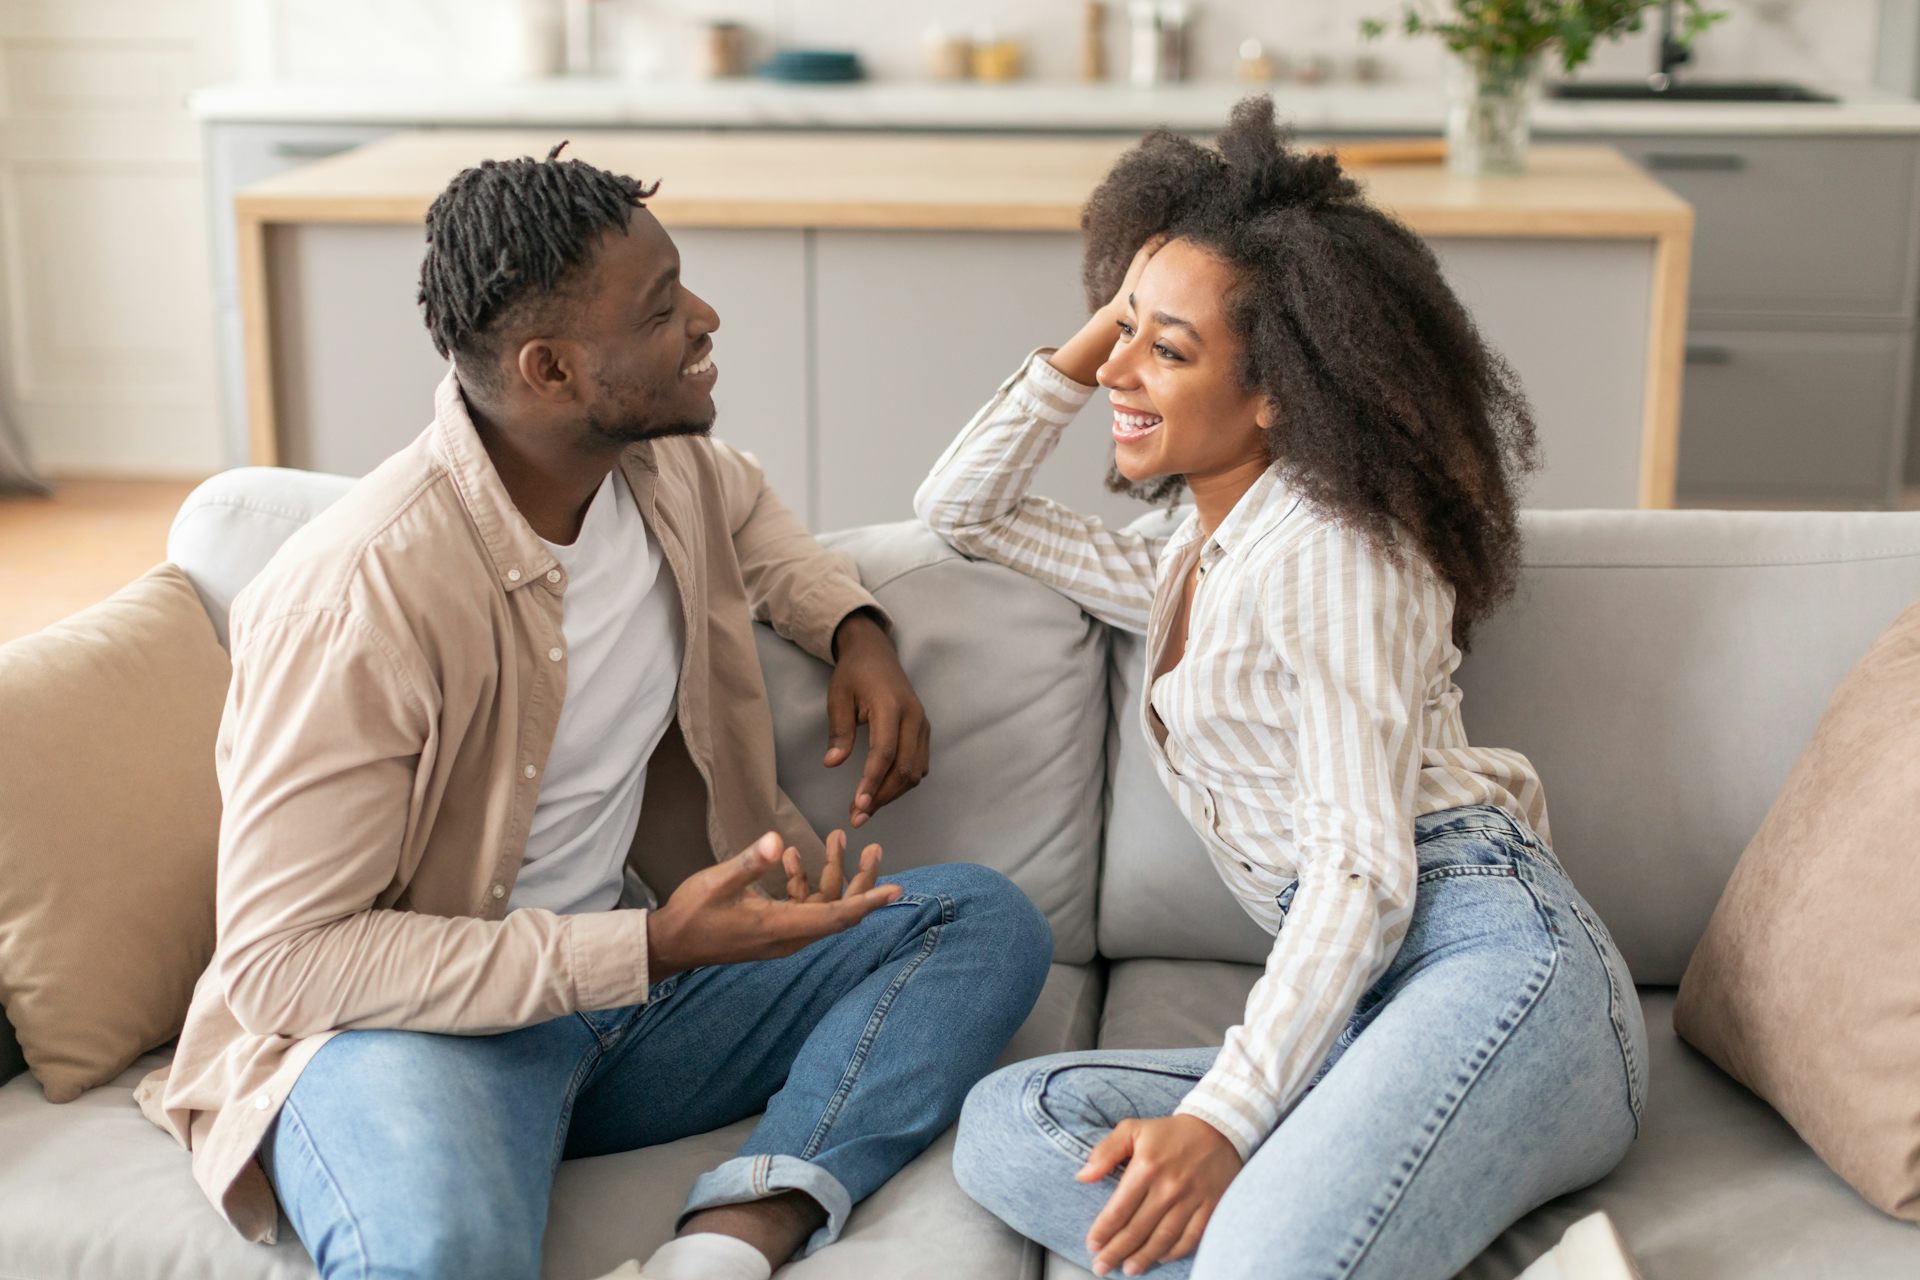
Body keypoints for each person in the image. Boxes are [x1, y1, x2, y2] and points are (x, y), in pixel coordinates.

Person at [135, 144, 1053, 1280]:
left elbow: (752, 508)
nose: (707, 318)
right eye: (664, 308)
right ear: (553, 369)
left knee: (975, 919)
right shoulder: (357, 600)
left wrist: (855, 628)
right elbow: (284, 963)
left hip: (634, 1007)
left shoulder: (655, 468)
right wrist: (654, 941)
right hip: (414, 1034)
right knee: (445, 1256)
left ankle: (735, 1234)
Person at [920, 100, 1648, 1280]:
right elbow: (964, 509)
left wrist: (1226, 1119)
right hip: (1367, 1006)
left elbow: (1364, 868)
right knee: (1016, 1123)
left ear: (1279, 391)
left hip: (1493, 962)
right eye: (1122, 328)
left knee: (1253, 1243)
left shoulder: (1332, 551)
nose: (1118, 368)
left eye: (1169, 348)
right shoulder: (1188, 559)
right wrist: (1114, 320)